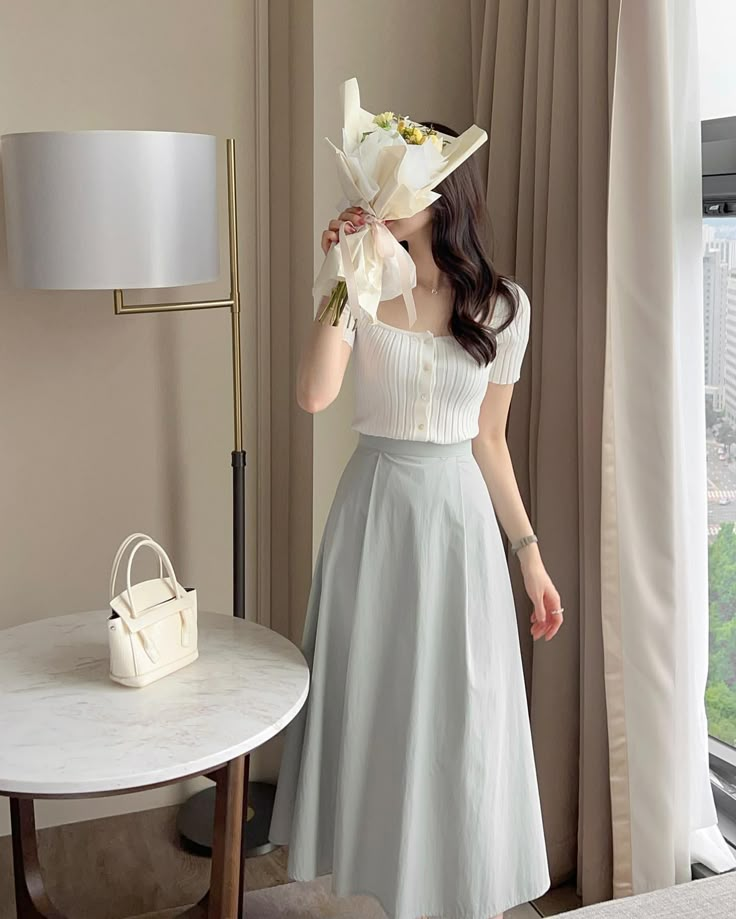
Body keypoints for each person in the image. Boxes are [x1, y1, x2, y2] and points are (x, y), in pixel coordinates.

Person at [268, 121, 563, 919]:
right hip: (374, 514)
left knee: (460, 716)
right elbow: (313, 395)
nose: (380, 195)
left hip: (460, 523)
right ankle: (383, 883)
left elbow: (491, 442)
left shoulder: (506, 307)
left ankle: (454, 885)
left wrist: (529, 556)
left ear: (440, 194)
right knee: (379, 706)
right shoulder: (358, 284)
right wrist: (340, 272)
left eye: (396, 179)